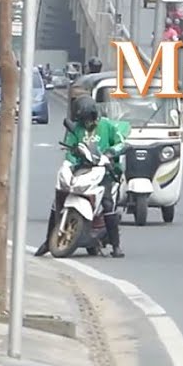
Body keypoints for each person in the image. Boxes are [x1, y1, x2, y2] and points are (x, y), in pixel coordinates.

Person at [36, 96, 126, 258]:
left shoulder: (108, 126)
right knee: (58, 200)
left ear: (94, 115)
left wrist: (111, 153)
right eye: (82, 120)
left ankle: (116, 245)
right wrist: (69, 163)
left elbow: (121, 143)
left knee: (107, 203)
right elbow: (70, 149)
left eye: (88, 119)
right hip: (82, 168)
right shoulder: (77, 129)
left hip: (105, 171)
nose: (86, 123)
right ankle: (47, 241)